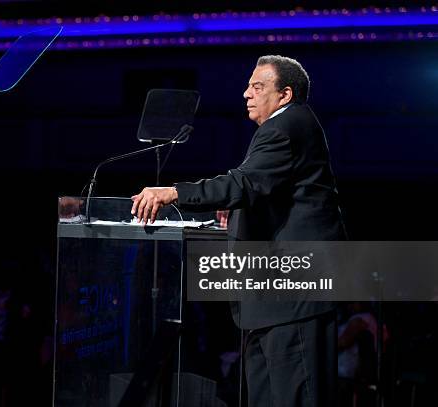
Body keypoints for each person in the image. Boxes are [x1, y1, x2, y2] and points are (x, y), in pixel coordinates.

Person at [131, 55, 347, 407]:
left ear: (285, 94)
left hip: (293, 296)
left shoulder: (285, 126)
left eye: (258, 87)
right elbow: (268, 190)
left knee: (297, 397)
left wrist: (174, 192)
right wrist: (236, 212)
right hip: (274, 299)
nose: (246, 93)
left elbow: (245, 183)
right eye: (248, 85)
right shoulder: (288, 125)